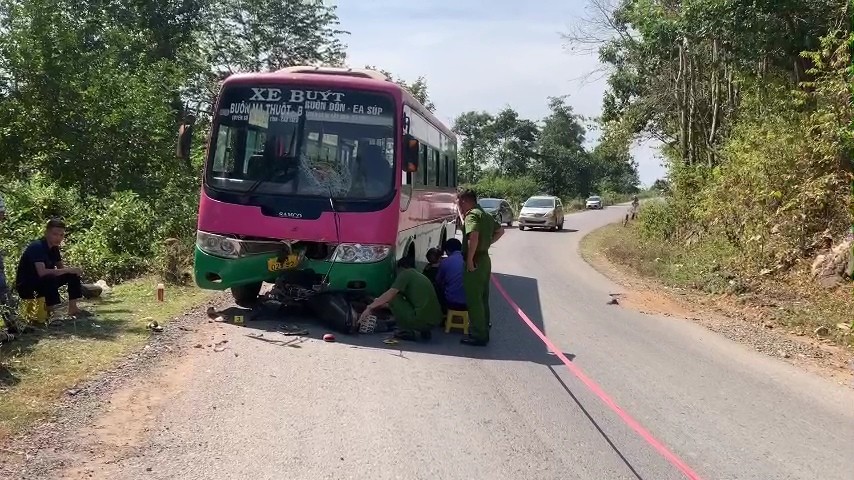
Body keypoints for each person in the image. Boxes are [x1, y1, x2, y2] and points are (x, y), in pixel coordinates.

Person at [15, 219, 91, 319]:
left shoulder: (54, 248)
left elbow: (61, 270)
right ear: (46, 233)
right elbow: (42, 272)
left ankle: (73, 308)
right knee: (49, 277)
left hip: (42, 283)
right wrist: (68, 270)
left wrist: (73, 271)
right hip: (28, 287)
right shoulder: (37, 247)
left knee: (72, 275)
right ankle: (52, 314)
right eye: (55, 234)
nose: (58, 238)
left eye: (61, 235)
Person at [457, 187, 504, 346]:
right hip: (485, 259)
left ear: (464, 200)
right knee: (483, 297)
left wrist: (470, 260)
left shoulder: (472, 215)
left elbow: (473, 237)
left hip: (475, 260)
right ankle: (484, 327)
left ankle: (478, 334)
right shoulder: (485, 214)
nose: (460, 206)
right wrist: (488, 243)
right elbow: (500, 231)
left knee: (474, 299)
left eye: (460, 202)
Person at [358, 256, 442, 342]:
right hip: (434, 321)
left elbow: (390, 294)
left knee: (394, 297)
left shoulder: (406, 274)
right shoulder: (420, 276)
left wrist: (370, 307)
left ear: (401, 268)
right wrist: (381, 305)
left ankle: (406, 330)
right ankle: (424, 330)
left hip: (420, 320)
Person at [435, 238, 466, 313]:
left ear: (448, 250)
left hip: (451, 303)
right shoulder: (468, 260)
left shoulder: (445, 262)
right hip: (469, 303)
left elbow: (438, 281)